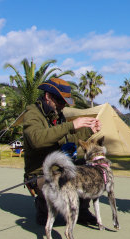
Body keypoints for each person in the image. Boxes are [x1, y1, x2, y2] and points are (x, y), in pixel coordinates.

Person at [22, 77, 101, 225]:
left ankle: (82, 210)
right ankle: (43, 207)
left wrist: (88, 131)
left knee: (88, 172)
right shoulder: (32, 114)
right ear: (48, 97)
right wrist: (70, 126)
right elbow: (37, 139)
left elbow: (66, 139)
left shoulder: (58, 115)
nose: (62, 106)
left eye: (65, 103)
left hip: (61, 168)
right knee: (57, 187)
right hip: (40, 173)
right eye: (60, 101)